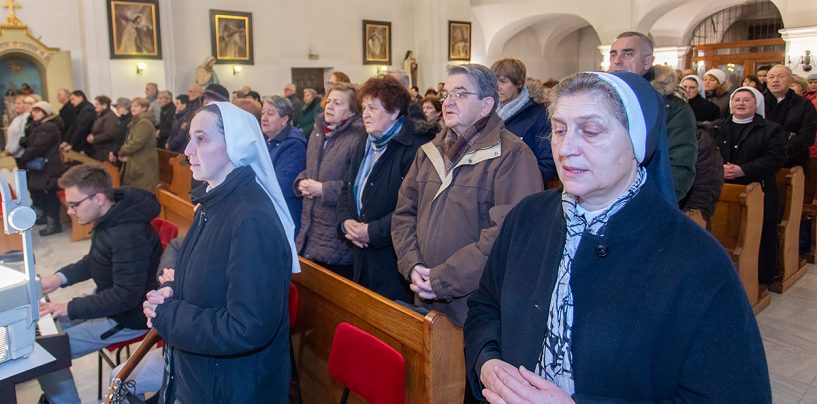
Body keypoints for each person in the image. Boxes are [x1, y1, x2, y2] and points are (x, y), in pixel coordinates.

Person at [464, 71, 771, 403]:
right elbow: (485, 306)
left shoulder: (696, 259)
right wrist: (486, 361)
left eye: (591, 131)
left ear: (637, 141)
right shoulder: (527, 217)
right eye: (559, 129)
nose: (566, 148)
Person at [143, 102, 298, 402]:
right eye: (190, 137)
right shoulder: (212, 203)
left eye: (201, 138)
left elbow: (247, 326)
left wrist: (169, 315)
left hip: (231, 388)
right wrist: (172, 291)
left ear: (236, 145)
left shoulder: (250, 219)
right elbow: (208, 277)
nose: (187, 149)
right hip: (201, 375)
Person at [391, 64, 543, 327]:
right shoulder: (428, 152)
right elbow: (404, 212)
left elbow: (506, 236)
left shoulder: (512, 155)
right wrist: (412, 265)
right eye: (445, 93)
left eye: (460, 94)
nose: (448, 102)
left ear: (486, 105)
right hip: (424, 293)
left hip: (475, 305)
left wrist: (443, 279)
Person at [37, 164, 162, 404]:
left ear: (99, 198)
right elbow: (94, 261)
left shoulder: (128, 233)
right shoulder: (111, 217)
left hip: (130, 317)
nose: (70, 211)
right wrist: (59, 278)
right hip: (113, 304)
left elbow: (125, 296)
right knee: (47, 329)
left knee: (49, 352)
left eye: (74, 204)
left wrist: (68, 308)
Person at [338, 76, 436, 301]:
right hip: (360, 252)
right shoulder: (364, 140)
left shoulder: (414, 147)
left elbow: (415, 207)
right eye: (363, 107)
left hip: (392, 258)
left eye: (372, 107)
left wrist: (371, 232)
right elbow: (347, 187)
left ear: (394, 111)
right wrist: (346, 223)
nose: (365, 113)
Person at [711, 86, 787, 284]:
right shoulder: (716, 127)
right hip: (723, 187)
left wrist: (743, 169)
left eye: (746, 100)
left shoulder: (772, 130)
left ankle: (758, 278)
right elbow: (706, 153)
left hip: (757, 188)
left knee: (759, 234)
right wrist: (720, 167)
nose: (741, 103)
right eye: (737, 99)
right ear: (731, 104)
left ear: (756, 104)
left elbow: (775, 158)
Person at [609, 31, 696, 201]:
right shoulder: (599, 101)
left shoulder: (672, 108)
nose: (617, 60)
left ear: (647, 61)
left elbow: (678, 168)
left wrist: (648, 206)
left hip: (645, 203)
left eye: (628, 53)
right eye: (613, 54)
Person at [295, 83, 365, 278]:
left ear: (352, 111)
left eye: (338, 103)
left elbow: (356, 185)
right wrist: (301, 181)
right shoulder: (318, 132)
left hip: (336, 238)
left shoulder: (358, 137)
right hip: (310, 230)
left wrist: (323, 189)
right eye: (329, 101)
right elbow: (311, 169)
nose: (330, 106)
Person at [491, 58, 556, 183]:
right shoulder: (488, 112)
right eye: (494, 81)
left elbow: (548, 163)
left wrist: (519, 184)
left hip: (522, 188)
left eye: (503, 81)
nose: (497, 87)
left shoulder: (539, 114)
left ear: (519, 83)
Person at [17, 101, 64, 236]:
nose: (34, 113)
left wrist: (24, 158)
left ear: (45, 113)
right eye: (33, 111)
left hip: (48, 166)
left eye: (38, 111)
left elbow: (38, 146)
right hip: (43, 166)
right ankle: (46, 218)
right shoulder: (39, 126)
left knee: (49, 193)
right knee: (41, 192)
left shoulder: (48, 127)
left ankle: (54, 224)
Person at [262, 95, 307, 235]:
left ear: (284, 120)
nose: (264, 118)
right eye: (262, 113)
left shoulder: (294, 145)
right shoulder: (269, 141)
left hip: (284, 217)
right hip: (268, 213)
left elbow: (281, 187)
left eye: (270, 113)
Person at [764, 64, 817, 175]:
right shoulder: (756, 102)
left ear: (791, 81)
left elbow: (807, 136)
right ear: (767, 81)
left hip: (793, 162)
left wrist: (779, 151)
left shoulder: (804, 105)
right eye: (771, 77)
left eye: (781, 76)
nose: (775, 80)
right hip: (761, 161)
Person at [116, 97, 159, 192]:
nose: (132, 108)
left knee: (142, 193)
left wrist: (121, 152)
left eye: (136, 106)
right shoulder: (137, 122)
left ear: (144, 108)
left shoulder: (144, 123)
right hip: (137, 162)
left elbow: (136, 143)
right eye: (132, 106)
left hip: (143, 164)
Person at [87, 95, 119, 161]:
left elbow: (109, 134)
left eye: (97, 104)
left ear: (104, 105)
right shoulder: (100, 116)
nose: (95, 106)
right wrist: (91, 135)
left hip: (106, 150)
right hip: (99, 149)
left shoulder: (110, 117)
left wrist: (94, 138)